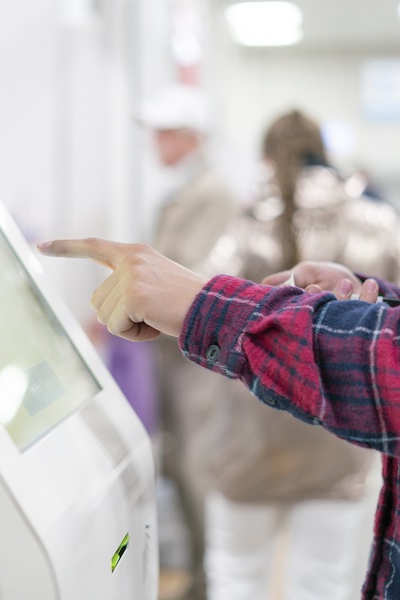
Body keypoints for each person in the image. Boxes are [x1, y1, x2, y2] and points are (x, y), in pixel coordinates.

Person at [39, 0, 400, 597]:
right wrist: (374, 307)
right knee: (318, 581)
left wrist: (209, 304)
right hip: (389, 501)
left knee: (239, 577)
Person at [198, 109, 400, 600]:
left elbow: (199, 301)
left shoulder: (245, 226)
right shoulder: (375, 221)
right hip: (338, 429)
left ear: (267, 159)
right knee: (325, 586)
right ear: (324, 153)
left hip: (246, 440)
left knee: (236, 579)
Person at [138, 83, 241, 600]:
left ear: (188, 136)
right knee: (179, 462)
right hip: (173, 352)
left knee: (198, 465)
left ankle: (210, 582)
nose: (156, 144)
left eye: (164, 134)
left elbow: (192, 274)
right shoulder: (185, 190)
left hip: (196, 353)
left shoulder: (213, 193)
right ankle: (202, 579)